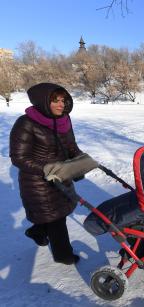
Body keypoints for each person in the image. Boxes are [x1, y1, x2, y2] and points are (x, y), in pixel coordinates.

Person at [10, 83, 85, 264]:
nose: (61, 105)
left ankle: (37, 231)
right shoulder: (26, 123)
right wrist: (47, 169)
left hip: (61, 175)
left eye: (63, 100)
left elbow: (71, 147)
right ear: (43, 102)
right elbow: (19, 157)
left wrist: (81, 163)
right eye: (55, 101)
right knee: (56, 218)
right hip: (37, 181)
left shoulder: (64, 120)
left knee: (57, 213)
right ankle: (64, 255)